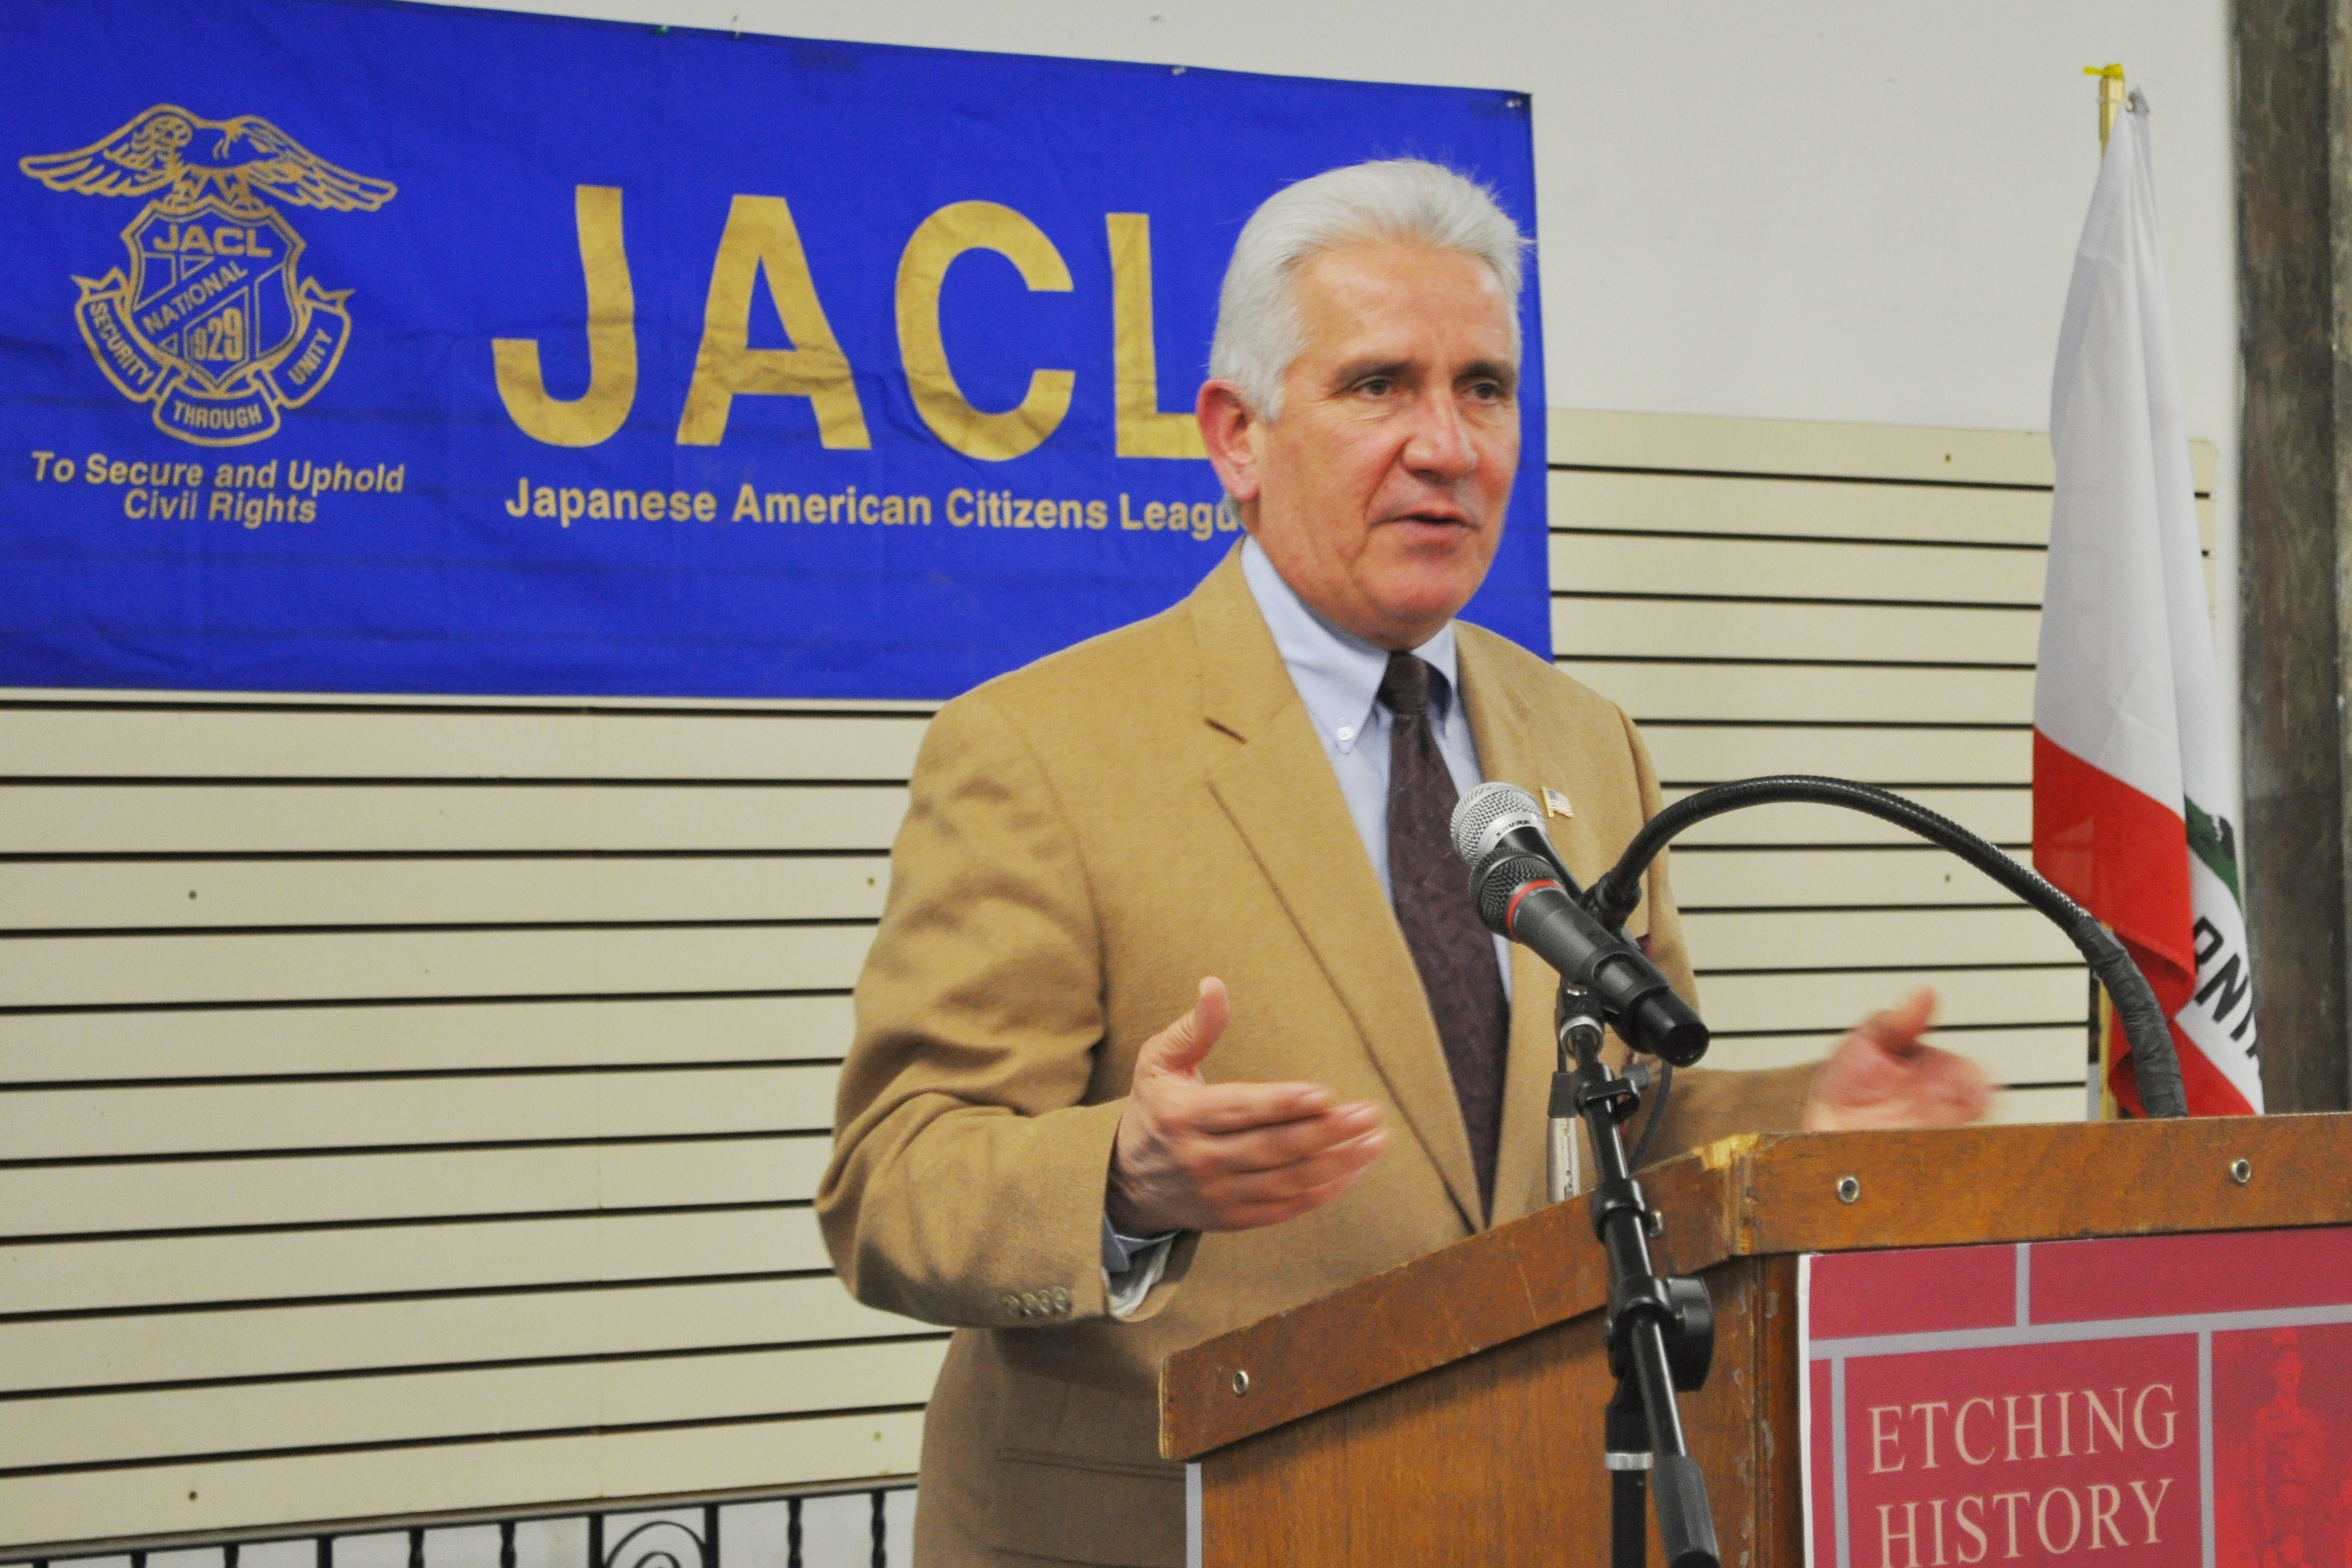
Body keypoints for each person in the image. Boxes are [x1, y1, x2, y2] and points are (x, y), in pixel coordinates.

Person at [818, 158, 1989, 1568]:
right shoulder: (1039, 749)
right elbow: (891, 1187)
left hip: (1525, 1512)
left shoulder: (1583, 737)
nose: (1445, 445)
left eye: (1482, 388)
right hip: (1170, 1528)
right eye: (1378, 385)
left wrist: (1808, 1120)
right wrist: (1119, 1179)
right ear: (1236, 436)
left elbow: (1612, 1123)